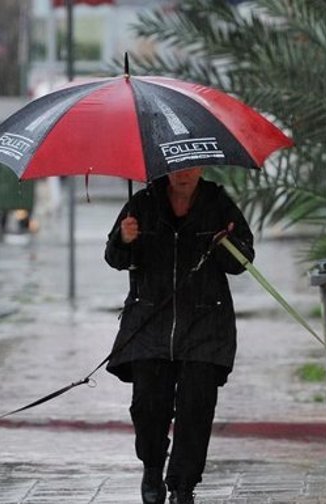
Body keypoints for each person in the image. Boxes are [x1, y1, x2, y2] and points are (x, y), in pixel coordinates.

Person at [104, 167, 255, 504]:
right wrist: (124, 240)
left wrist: (224, 243)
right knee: (148, 405)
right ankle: (153, 468)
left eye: (190, 168)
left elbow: (242, 261)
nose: (183, 174)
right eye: (175, 169)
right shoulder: (141, 203)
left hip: (205, 323)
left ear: (201, 167)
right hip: (149, 322)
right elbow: (114, 259)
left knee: (196, 406)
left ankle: (183, 485)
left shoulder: (219, 204)